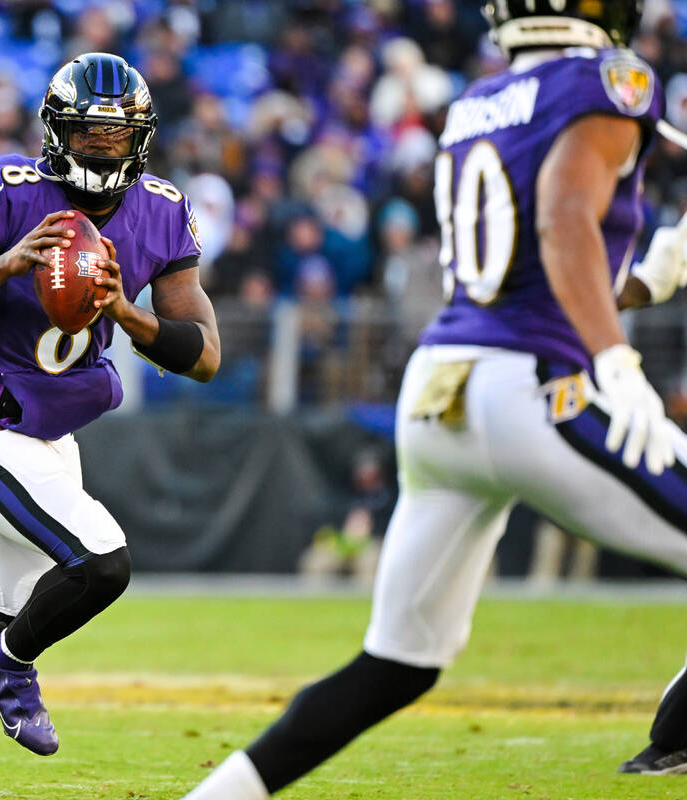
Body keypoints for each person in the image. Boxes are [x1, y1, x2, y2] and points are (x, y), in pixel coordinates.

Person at [182, 2, 687, 797]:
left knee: (396, 663)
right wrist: (616, 364)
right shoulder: (610, 81)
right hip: (535, 384)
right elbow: (562, 221)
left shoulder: (479, 99)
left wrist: (649, 279)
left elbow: (535, 260)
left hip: (442, 388)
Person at [0, 52, 221, 794]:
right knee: (102, 562)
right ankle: (9, 662)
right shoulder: (12, 188)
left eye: (116, 134)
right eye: (88, 132)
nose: (102, 146)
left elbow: (205, 357)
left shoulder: (162, 208)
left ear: (142, 139)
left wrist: (127, 313)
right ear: (57, 134)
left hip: (49, 435)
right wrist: (4, 265)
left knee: (11, 612)